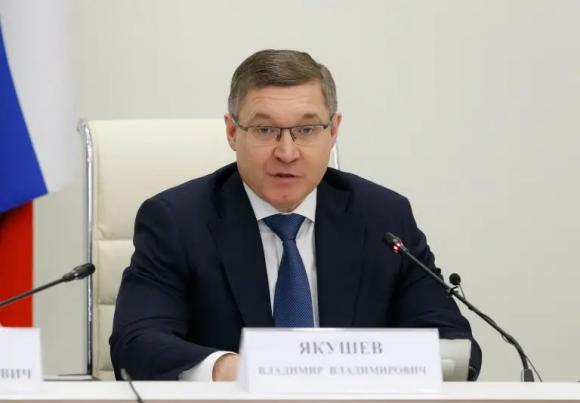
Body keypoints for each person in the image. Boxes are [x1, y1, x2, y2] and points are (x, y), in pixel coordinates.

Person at [110, 49, 481, 381]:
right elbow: (135, 343)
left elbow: (454, 347)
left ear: (333, 131)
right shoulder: (177, 221)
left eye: (306, 129)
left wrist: (368, 368)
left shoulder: (383, 218)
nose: (287, 153)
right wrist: (235, 371)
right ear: (232, 132)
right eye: (265, 129)